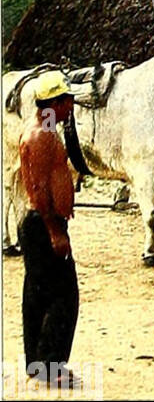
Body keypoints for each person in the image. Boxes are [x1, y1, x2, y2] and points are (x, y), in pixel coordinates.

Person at [18, 72, 80, 385]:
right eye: (67, 101)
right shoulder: (42, 136)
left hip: (38, 223)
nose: (71, 106)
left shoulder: (41, 130)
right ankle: (51, 367)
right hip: (44, 224)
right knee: (65, 297)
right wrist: (55, 230)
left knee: (37, 294)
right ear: (54, 103)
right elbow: (40, 188)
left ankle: (37, 364)